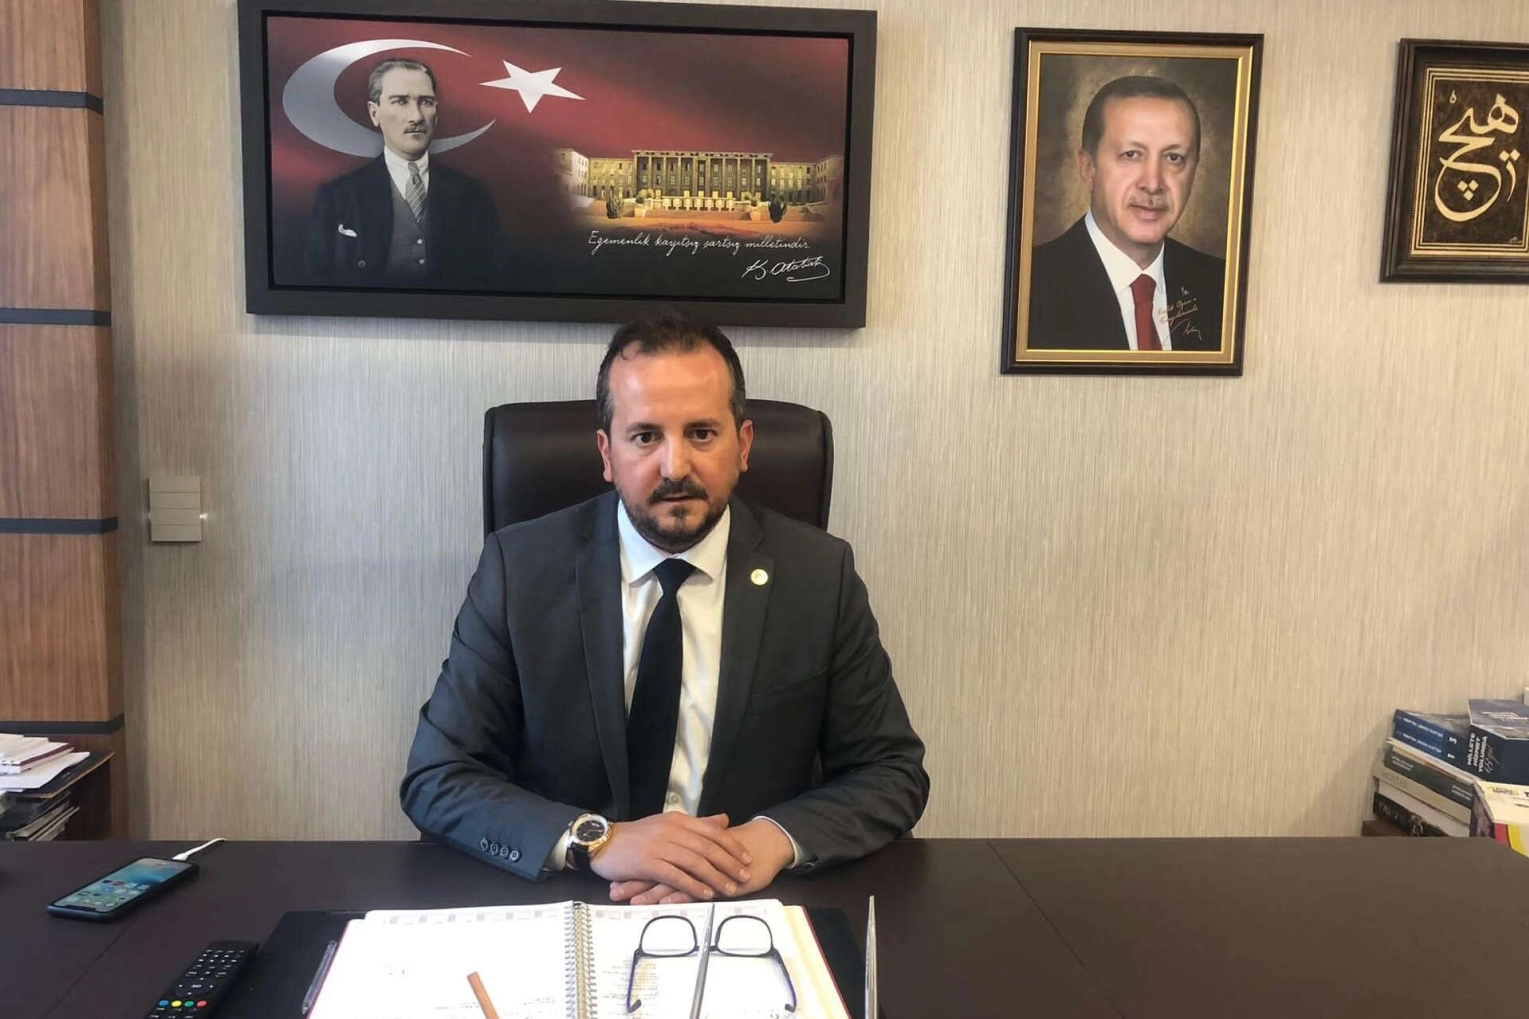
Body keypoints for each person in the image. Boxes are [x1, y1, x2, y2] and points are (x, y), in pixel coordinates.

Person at [401, 312, 928, 905]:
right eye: (645, 436)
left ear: (743, 445)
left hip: (746, 903)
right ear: (607, 453)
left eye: (702, 433)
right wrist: (595, 839)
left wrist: (771, 840)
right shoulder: (518, 570)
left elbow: (892, 771)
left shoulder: (818, 576)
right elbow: (438, 776)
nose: (675, 467)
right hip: (573, 898)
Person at [1029, 75, 1225, 351]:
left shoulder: (1224, 287)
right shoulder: (1030, 286)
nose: (1153, 183)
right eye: (1131, 154)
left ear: (1194, 171)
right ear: (1088, 167)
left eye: (1174, 158)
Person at [302, 58, 506, 289]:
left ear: (436, 113)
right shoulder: (337, 198)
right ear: (374, 113)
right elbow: (317, 287)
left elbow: (493, 284)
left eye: (426, 102)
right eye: (400, 101)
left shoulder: (473, 196)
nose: (416, 116)